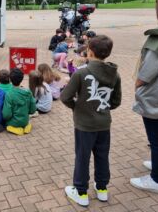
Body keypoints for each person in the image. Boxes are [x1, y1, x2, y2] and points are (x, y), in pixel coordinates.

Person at [60, 35, 122, 207]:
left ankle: (80, 192)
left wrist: (76, 107)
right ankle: (102, 189)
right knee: (102, 155)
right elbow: (116, 101)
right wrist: (102, 109)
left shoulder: (81, 73)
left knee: (82, 156)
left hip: (84, 125)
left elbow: (65, 96)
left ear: (90, 51)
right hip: (104, 124)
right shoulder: (115, 75)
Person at [130, 0, 158, 194]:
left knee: (157, 138)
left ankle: (157, 180)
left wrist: (138, 84)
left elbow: (148, 71)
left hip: (157, 97)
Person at [2, 68, 36, 136]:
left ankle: (16, 129)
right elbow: (33, 110)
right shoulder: (28, 92)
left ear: (10, 80)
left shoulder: (9, 94)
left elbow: (6, 115)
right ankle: (26, 127)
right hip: (25, 121)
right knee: (26, 123)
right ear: (22, 78)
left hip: (13, 122)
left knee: (7, 126)